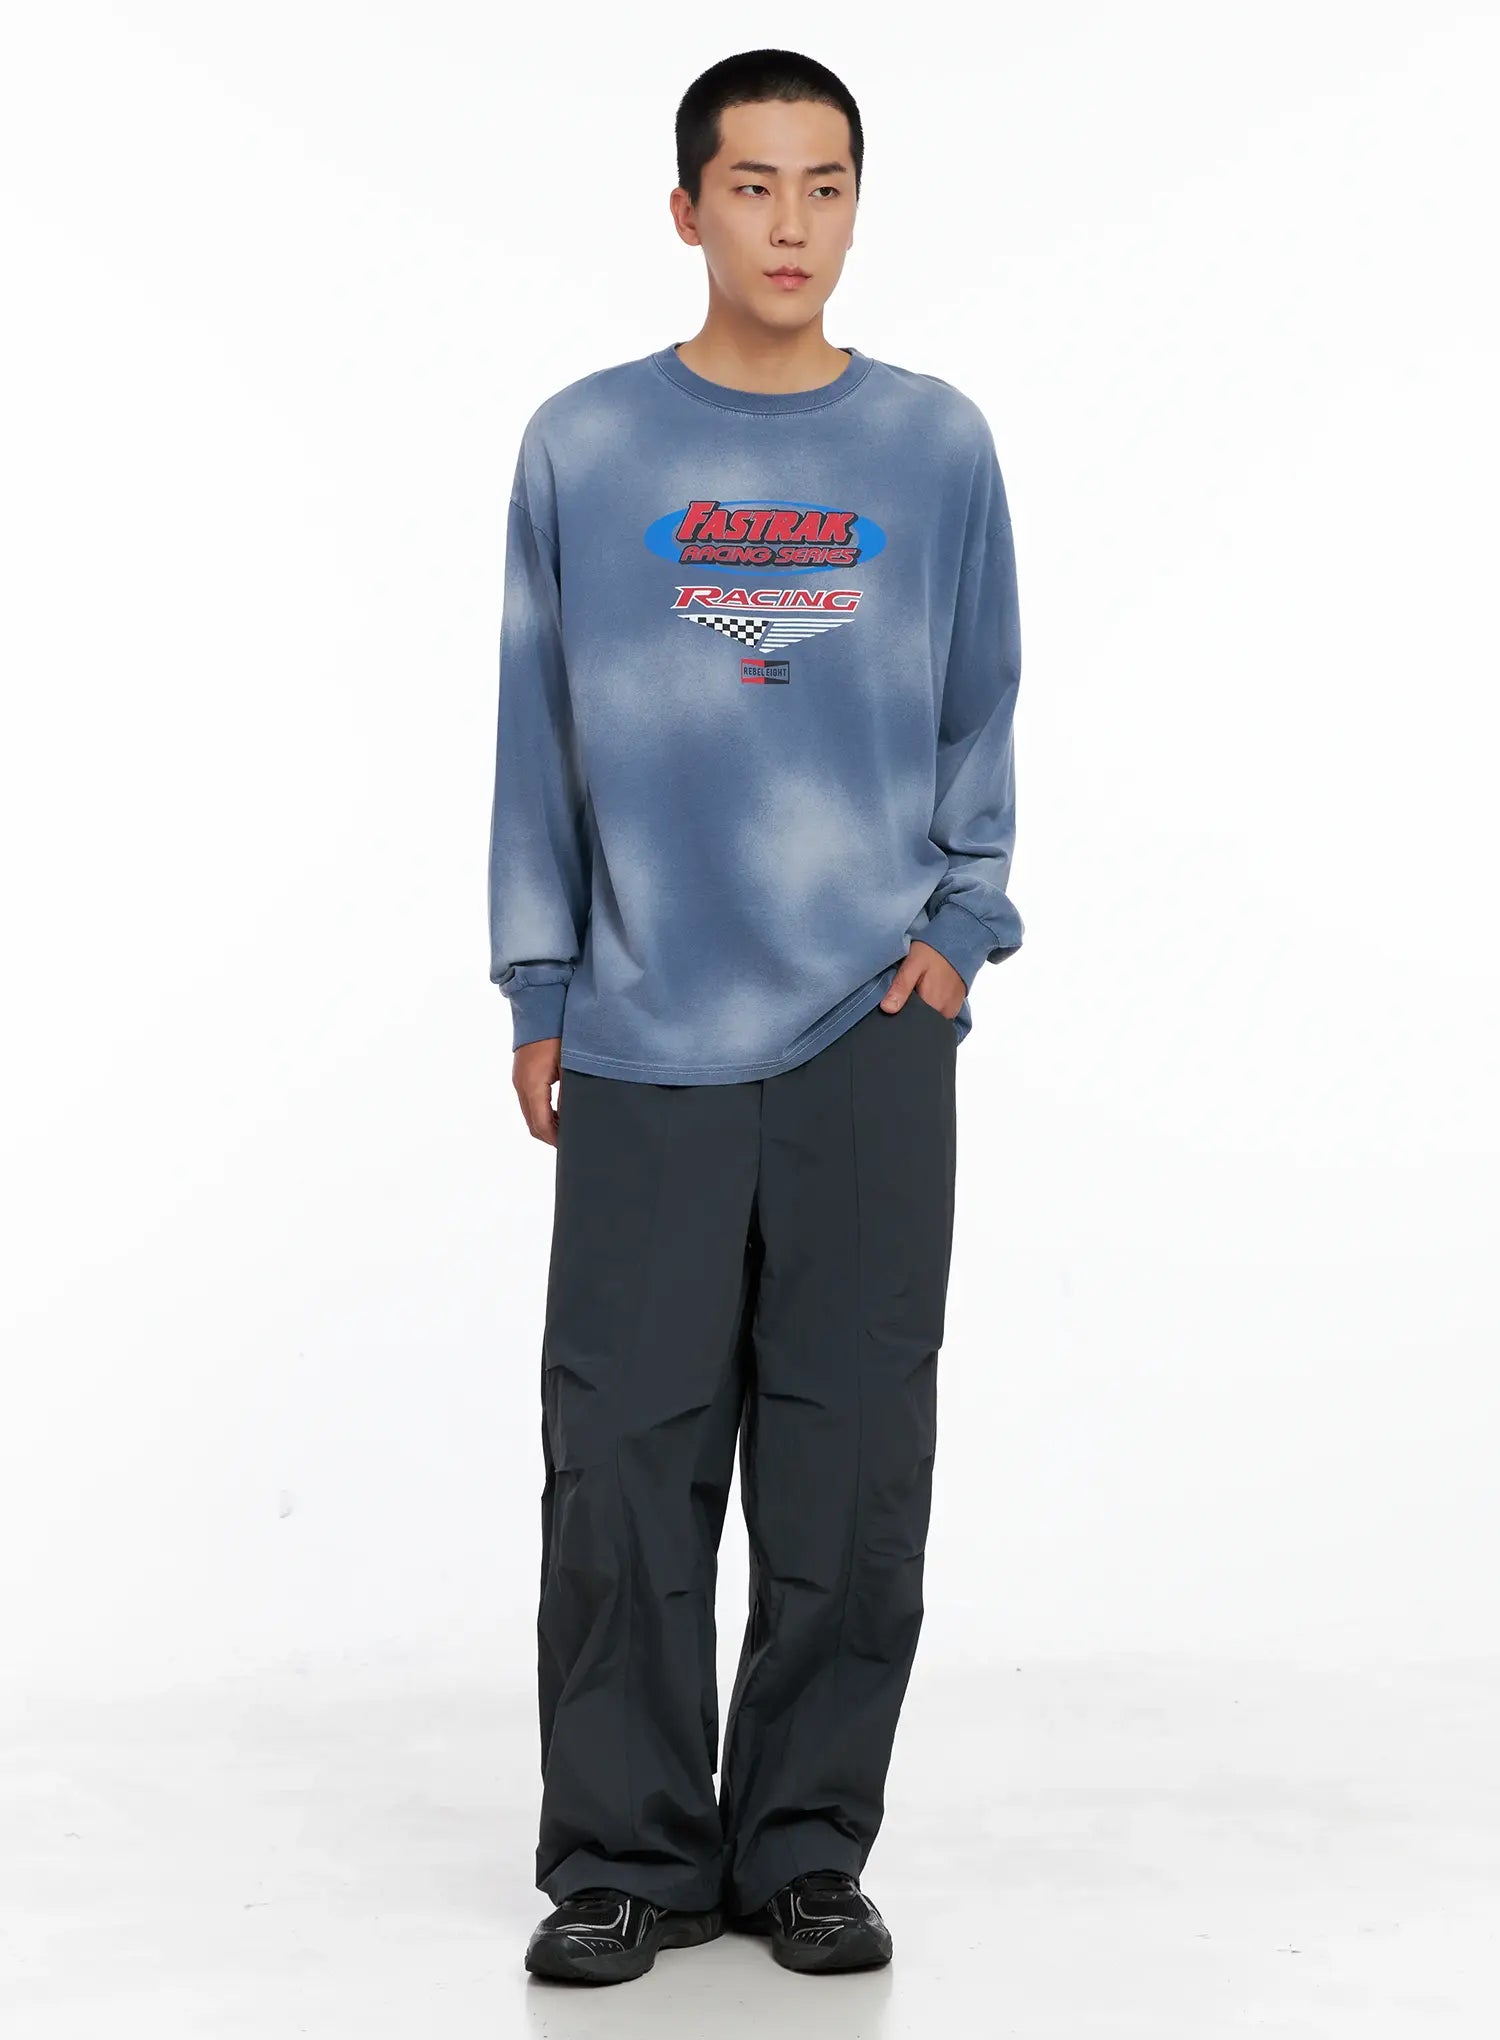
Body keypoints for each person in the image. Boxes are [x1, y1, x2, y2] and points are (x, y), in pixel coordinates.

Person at [487, 46, 1024, 1987]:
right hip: (645, 1033)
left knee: (850, 1468)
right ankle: (623, 1856)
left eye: (825, 185)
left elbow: (981, 703)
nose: (790, 224)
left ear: (856, 206)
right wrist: (540, 976)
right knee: (622, 1462)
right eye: (752, 184)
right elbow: (538, 731)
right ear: (686, 207)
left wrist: (959, 934)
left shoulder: (935, 448)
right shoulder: (588, 447)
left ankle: (803, 1844)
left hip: (871, 1031)